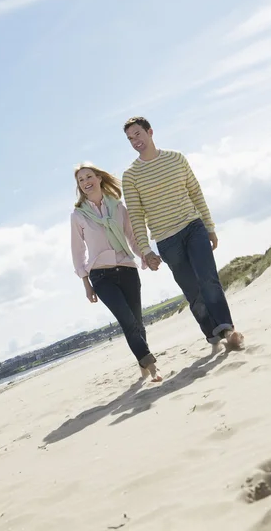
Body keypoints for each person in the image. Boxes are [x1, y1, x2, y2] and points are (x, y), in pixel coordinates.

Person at [121, 117, 244, 352]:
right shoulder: (131, 175)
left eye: (137, 134)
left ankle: (228, 330)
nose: (135, 141)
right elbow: (136, 216)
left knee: (209, 278)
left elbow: (196, 192)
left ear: (150, 132)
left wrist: (209, 226)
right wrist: (146, 250)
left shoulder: (176, 158)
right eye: (130, 138)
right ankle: (212, 334)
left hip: (193, 226)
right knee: (192, 290)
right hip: (167, 240)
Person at [70, 162, 162, 382]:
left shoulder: (118, 207)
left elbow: (132, 237)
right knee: (127, 320)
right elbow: (77, 252)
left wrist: (145, 255)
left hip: (127, 269)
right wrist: (86, 284)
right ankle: (151, 366)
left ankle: (142, 360)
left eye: (88, 176)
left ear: (99, 178)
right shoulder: (78, 216)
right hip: (101, 276)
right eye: (80, 180)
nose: (85, 182)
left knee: (137, 322)